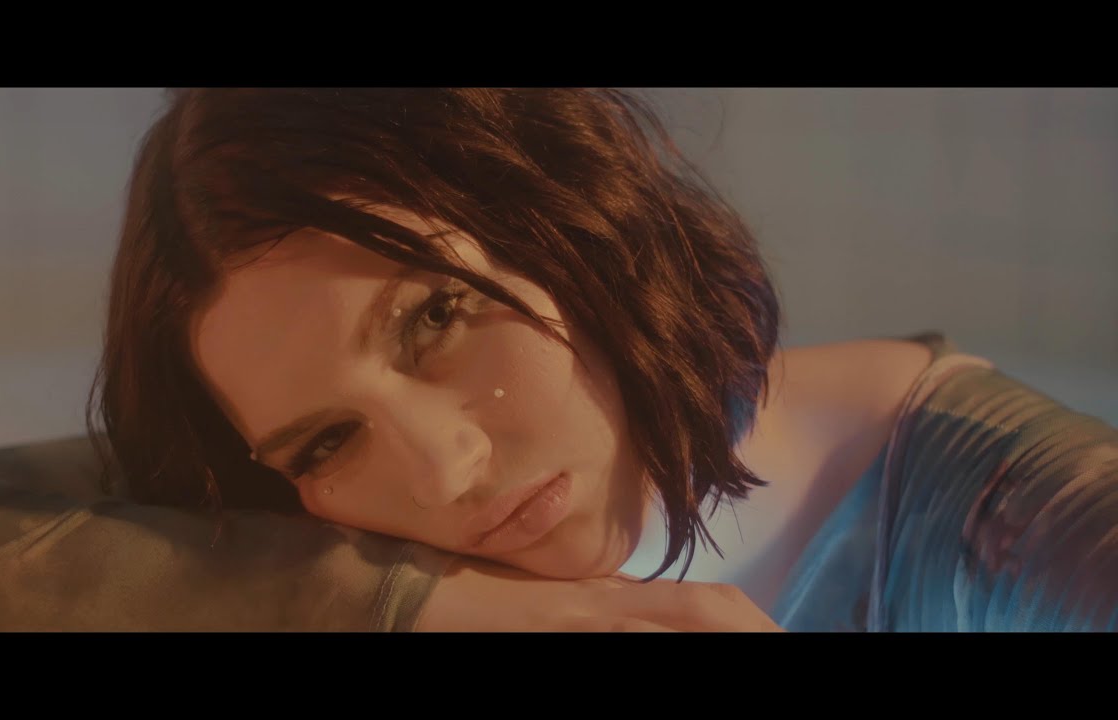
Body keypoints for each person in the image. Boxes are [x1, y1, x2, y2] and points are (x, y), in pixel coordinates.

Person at [87, 88, 1118, 632]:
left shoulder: (1009, 519)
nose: (440, 473)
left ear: (565, 220)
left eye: (435, 317)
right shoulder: (345, 563)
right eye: (325, 443)